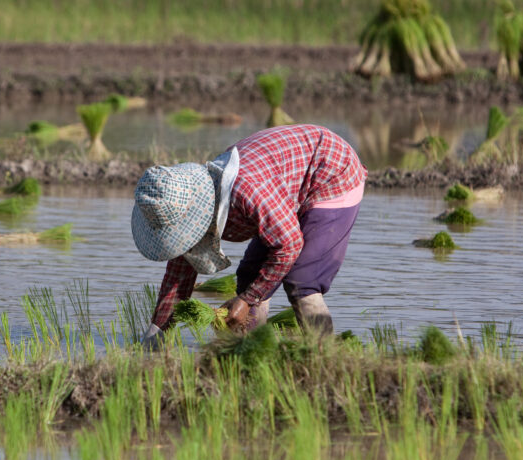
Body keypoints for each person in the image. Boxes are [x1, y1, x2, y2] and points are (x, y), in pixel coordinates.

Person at [131, 124, 367, 347]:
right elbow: (178, 277)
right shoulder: (186, 204)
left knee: (302, 281)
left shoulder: (247, 192)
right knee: (250, 276)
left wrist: (247, 300)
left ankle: (324, 356)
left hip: (331, 172)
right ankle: (254, 352)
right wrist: (156, 335)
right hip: (284, 183)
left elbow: (289, 245)